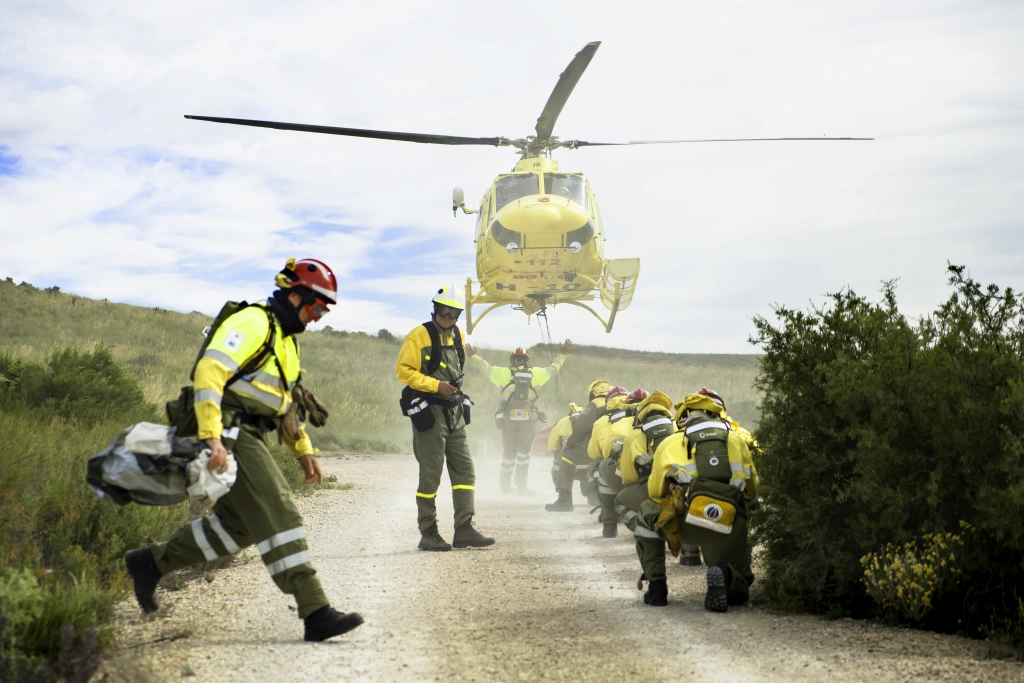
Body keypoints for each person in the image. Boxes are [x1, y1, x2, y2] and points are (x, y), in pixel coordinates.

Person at [124, 258, 363, 642]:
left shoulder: (287, 343)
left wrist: (303, 449)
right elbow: (209, 371)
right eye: (318, 309)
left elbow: (287, 404)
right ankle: (315, 610)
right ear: (296, 296)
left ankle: (150, 563)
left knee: (238, 527)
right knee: (279, 509)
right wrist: (211, 435)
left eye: (324, 313)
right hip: (229, 431)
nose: (318, 318)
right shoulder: (253, 322)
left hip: (249, 433)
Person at [633, 392, 759, 611]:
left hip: (687, 522)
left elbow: (655, 492)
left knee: (646, 513)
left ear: (683, 418)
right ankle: (725, 573)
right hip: (727, 521)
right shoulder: (737, 439)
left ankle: (656, 587)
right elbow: (753, 487)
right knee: (738, 591)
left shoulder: (670, 443)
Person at [396, 285, 495, 552]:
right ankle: (428, 532)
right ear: (434, 308)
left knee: (465, 470)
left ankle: (464, 529)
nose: (448, 317)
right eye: (443, 310)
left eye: (454, 313)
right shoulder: (418, 335)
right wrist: (434, 386)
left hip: (454, 412)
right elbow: (404, 372)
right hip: (430, 411)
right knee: (431, 475)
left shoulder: (458, 335)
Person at [465, 340, 572, 495]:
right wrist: (563, 354)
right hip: (528, 419)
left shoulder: (502, 373)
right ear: (526, 360)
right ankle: (521, 487)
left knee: (509, 453)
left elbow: (484, 367)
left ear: (512, 360)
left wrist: (473, 356)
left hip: (509, 418)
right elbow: (554, 368)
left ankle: (505, 486)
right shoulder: (536, 373)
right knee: (524, 454)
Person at [589, 388, 649, 537]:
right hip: (662, 480)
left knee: (603, 466)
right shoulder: (670, 423)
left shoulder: (615, 425)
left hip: (626, 479)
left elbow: (603, 453)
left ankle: (610, 524)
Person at [546, 379, 613, 512]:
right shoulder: (621, 403)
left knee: (568, 455)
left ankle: (564, 499)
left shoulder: (595, 404)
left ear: (593, 393)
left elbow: (581, 427)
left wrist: (569, 444)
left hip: (598, 448)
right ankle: (596, 496)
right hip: (616, 449)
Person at [547, 401, 583, 488]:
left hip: (566, 461)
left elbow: (553, 445)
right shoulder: (591, 421)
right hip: (586, 460)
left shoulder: (562, 421)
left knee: (556, 460)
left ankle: (561, 489)